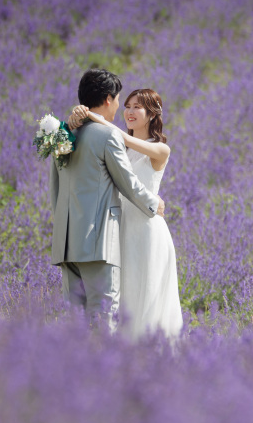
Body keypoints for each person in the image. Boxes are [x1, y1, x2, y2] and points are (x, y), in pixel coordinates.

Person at [51, 69, 164, 332]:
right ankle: (101, 372)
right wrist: (153, 203)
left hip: (66, 243)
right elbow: (127, 182)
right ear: (107, 100)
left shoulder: (63, 134)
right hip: (99, 242)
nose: (119, 108)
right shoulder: (107, 136)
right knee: (103, 316)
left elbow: (54, 190)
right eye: (119, 101)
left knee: (75, 322)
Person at [67, 88, 182, 341]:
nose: (129, 112)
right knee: (124, 292)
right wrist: (81, 116)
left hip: (147, 230)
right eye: (127, 105)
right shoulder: (117, 145)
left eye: (137, 107)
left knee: (147, 292)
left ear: (152, 114)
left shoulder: (161, 149)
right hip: (119, 227)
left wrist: (98, 119)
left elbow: (127, 140)